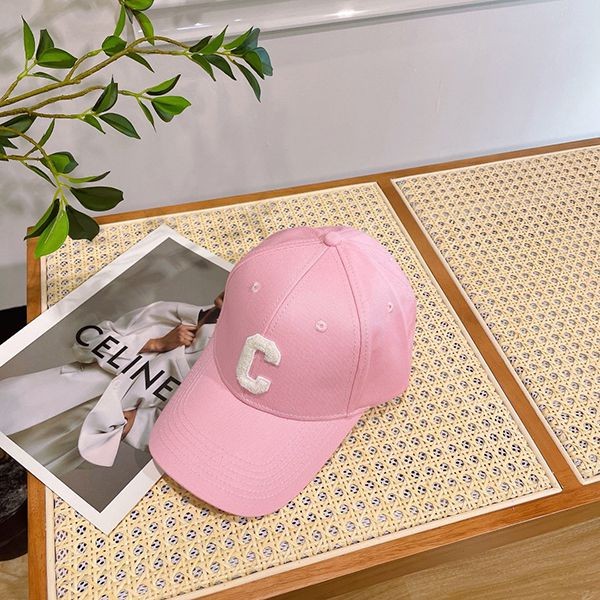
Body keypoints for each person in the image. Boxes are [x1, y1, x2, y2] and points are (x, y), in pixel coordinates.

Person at [0, 293, 223, 477]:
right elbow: (85, 342)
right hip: (51, 391)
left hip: (79, 433)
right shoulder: (166, 312)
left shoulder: (215, 371)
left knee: (14, 477)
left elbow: (171, 429)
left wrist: (131, 425)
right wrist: (154, 343)